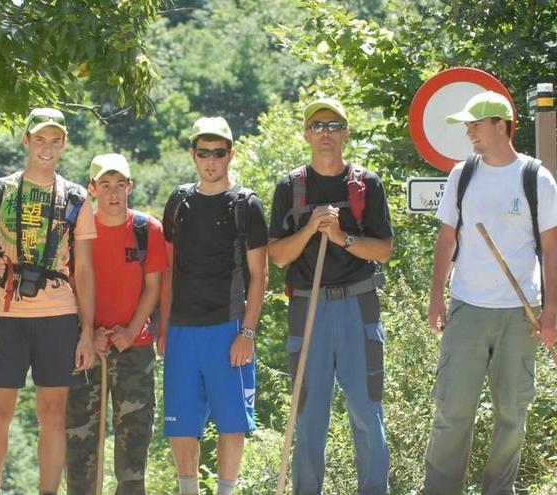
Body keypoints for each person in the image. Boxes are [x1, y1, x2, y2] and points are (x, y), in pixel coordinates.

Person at [422, 91, 557, 494]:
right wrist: (435, 297)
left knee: (513, 412)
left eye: (476, 124)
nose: (470, 133)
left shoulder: (536, 178)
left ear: (502, 125)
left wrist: (551, 310)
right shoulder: (462, 174)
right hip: (467, 308)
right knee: (451, 410)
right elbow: (447, 239)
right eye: (467, 126)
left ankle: (499, 491)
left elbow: (551, 249)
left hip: (521, 312)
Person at [268, 98, 393, 494]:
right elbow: (278, 256)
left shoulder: (365, 184)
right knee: (308, 416)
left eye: (333, 125)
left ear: (345, 133)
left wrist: (342, 237)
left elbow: (383, 250)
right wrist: (308, 230)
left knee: (366, 411)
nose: (325, 133)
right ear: (306, 134)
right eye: (317, 126)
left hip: (358, 306)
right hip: (308, 307)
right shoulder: (291, 187)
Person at [0, 107, 97, 495]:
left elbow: (85, 270)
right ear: (26, 141)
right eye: (39, 139)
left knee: (52, 414)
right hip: (5, 312)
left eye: (54, 141)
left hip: (58, 313)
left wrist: (87, 332)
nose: (47, 148)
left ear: (64, 144)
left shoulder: (76, 197)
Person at [159, 117, 269, 495]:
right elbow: (168, 269)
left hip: (228, 329)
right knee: (180, 425)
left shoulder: (246, 204)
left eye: (218, 153)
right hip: (181, 330)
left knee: (232, 424)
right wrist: (162, 330)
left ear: (230, 155)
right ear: (193, 155)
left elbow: (260, 276)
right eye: (203, 153)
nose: (210, 161)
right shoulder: (179, 202)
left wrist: (247, 333)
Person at [65, 154, 167, 494]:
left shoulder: (147, 229)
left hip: (134, 348)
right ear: (92, 189)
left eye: (120, 185)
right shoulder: (78, 231)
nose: (113, 193)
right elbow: (71, 284)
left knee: (135, 443)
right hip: (86, 348)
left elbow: (153, 287)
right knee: (80, 444)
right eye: (105, 185)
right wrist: (87, 332)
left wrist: (132, 329)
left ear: (130, 187)